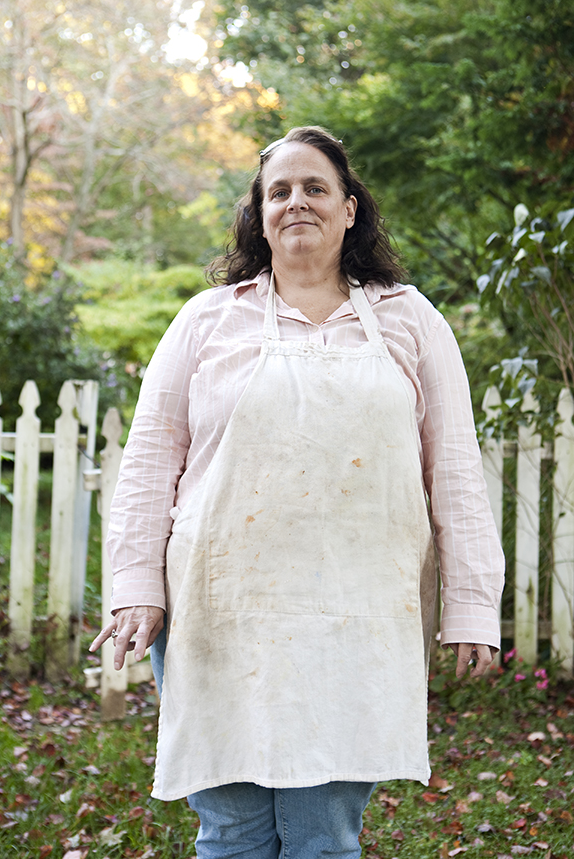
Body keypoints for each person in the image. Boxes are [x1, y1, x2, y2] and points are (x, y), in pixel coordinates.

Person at [90, 126, 504, 859]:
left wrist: (471, 606)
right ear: (258, 215)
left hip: (357, 618)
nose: (296, 202)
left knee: (322, 838)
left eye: (315, 187)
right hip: (219, 614)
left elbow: (457, 472)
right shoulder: (205, 320)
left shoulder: (410, 319)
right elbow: (151, 459)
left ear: (350, 209)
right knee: (233, 835)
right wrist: (135, 587)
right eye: (277, 191)